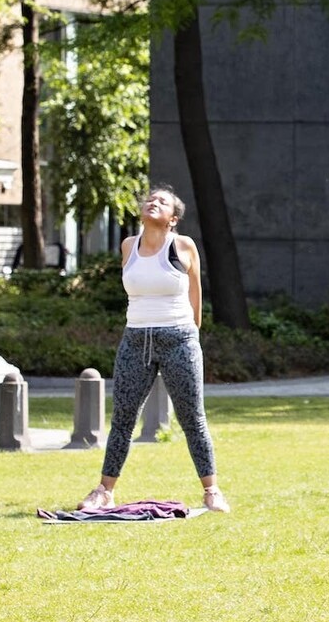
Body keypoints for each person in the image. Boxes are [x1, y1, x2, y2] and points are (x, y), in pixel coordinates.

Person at [77, 184, 230, 514]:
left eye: (162, 202)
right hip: (135, 341)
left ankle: (212, 491)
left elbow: (196, 297)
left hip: (179, 339)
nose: (153, 203)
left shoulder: (184, 246)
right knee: (123, 420)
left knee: (193, 420)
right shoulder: (128, 246)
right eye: (150, 200)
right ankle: (104, 491)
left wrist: (190, 338)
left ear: (172, 219)